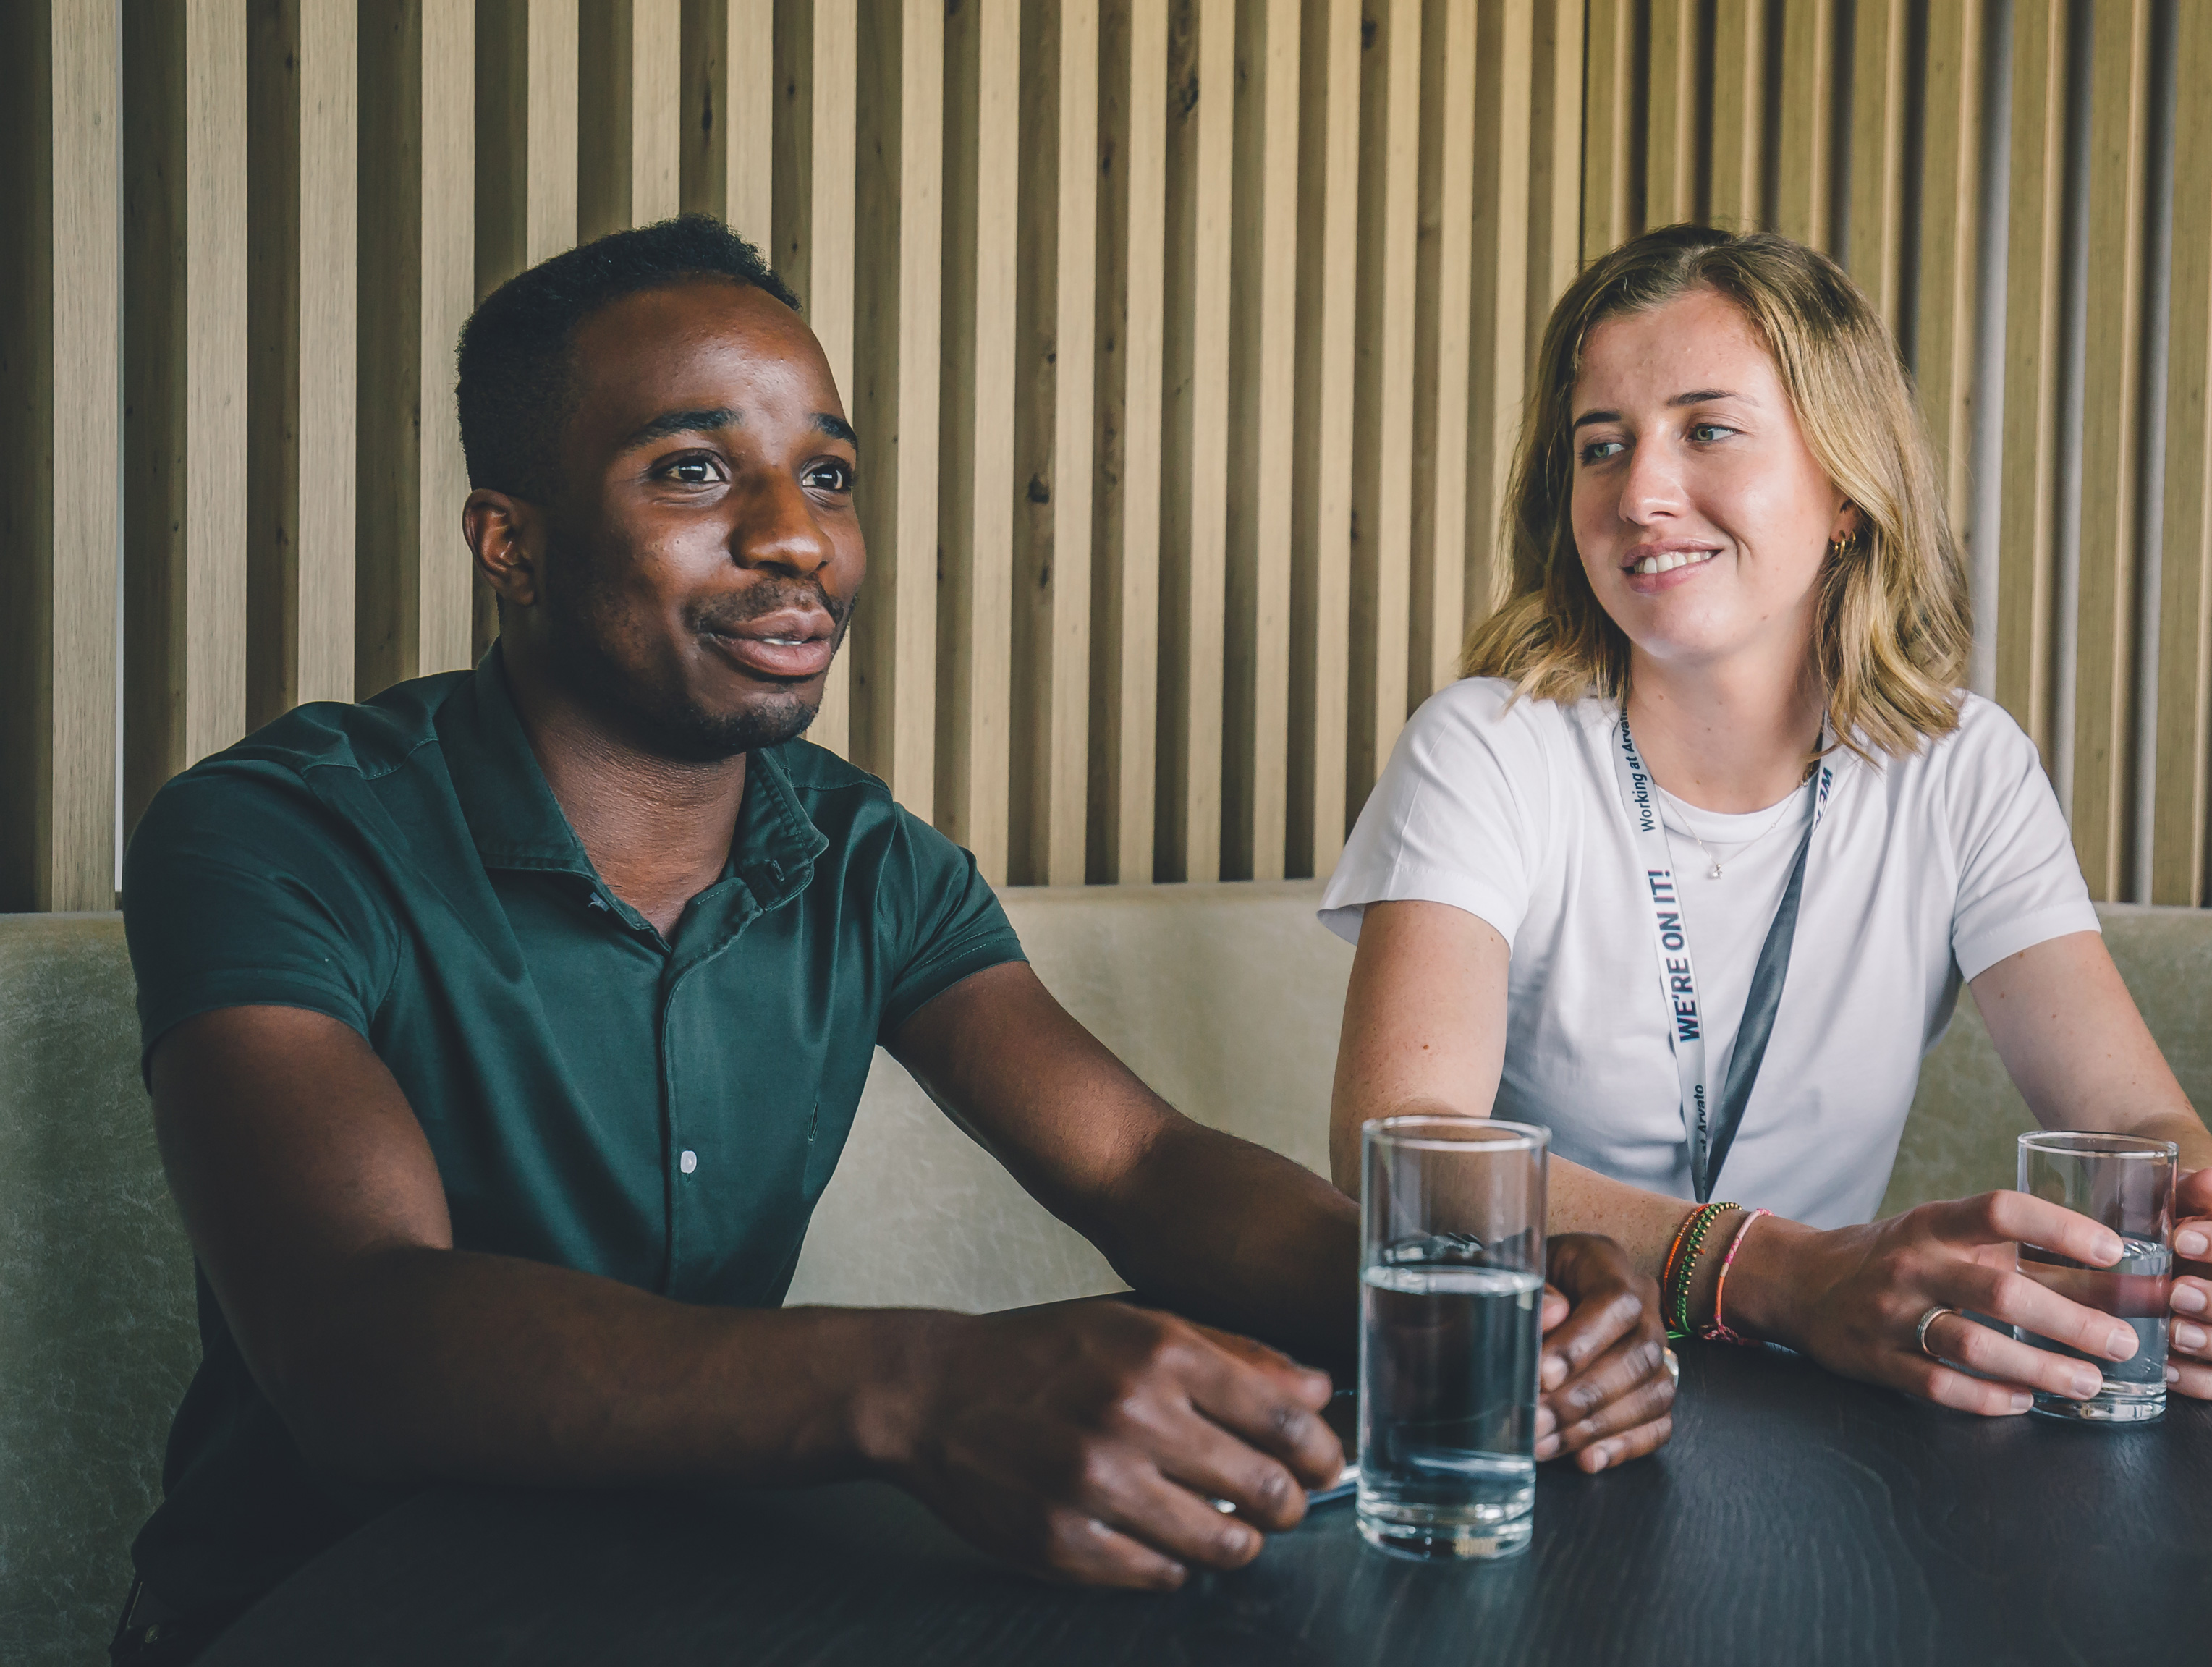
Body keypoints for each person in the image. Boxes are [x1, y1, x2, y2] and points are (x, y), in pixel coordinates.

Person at [111, 216, 1677, 1664]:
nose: (798, 537)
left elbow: (1137, 1166)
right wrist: (925, 1389)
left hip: (704, 1603)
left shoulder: (864, 855)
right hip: (325, 1622)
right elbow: (356, 1336)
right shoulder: (278, 834)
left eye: (833, 476)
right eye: (692, 473)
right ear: (507, 543)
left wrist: (1463, 1297)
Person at [1322, 224, 2212, 1426]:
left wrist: (2202, 1257)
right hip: (1543, 1400)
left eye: (1708, 429)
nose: (1639, 492)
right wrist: (1772, 1272)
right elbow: (1408, 1158)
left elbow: (2132, 1123)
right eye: (1601, 446)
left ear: (1845, 486)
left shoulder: (1965, 768)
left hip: (1815, 1410)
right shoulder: (1487, 744)